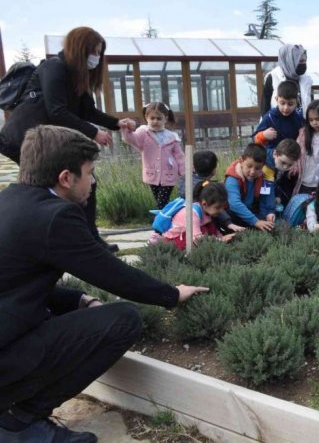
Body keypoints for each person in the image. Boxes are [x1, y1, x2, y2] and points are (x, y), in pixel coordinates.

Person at [0, 125, 207, 443]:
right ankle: (20, 421)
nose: (93, 182)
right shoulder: (55, 216)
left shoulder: (10, 201)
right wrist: (172, 294)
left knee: (67, 317)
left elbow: (16, 285)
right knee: (124, 320)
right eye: (89, 173)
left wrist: (79, 300)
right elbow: (115, 275)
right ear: (66, 178)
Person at [0, 26, 136, 252]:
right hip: (21, 141)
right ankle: (57, 240)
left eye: (99, 53)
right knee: (52, 186)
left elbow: (88, 111)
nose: (96, 57)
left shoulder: (76, 77)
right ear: (80, 48)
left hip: (43, 140)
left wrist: (116, 123)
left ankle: (87, 239)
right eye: (94, 51)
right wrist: (94, 133)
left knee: (83, 182)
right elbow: (57, 111)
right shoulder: (54, 68)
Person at [121, 102, 185, 210]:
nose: (155, 121)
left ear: (165, 118)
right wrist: (127, 129)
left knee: (161, 203)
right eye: (152, 118)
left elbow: (179, 156)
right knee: (160, 202)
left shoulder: (171, 137)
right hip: (152, 174)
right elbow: (131, 139)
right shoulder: (143, 132)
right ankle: (171, 216)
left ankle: (161, 220)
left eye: (159, 118)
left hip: (169, 174)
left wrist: (185, 172)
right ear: (147, 117)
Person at [162, 181, 235, 250]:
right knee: (204, 230)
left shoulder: (206, 210)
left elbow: (214, 231)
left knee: (210, 226)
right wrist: (220, 240)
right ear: (204, 204)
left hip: (187, 236)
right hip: (174, 241)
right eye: (218, 207)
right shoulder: (192, 214)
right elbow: (197, 239)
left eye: (223, 207)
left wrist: (222, 237)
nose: (221, 210)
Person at [224, 143, 276, 231]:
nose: (252, 172)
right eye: (249, 166)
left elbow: (267, 195)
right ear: (241, 161)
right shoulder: (232, 179)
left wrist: (270, 212)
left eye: (257, 168)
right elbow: (234, 204)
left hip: (250, 212)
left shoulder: (263, 176)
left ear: (263, 166)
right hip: (233, 216)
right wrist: (256, 221)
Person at [261, 44, 312, 117]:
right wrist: (268, 123)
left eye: (304, 60)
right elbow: (265, 106)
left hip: (301, 122)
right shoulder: (273, 77)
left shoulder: (306, 80)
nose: (303, 64)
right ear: (289, 60)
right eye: (300, 60)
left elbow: (310, 104)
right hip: (278, 122)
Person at [253, 81, 305, 152]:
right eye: (282, 103)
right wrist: (263, 135)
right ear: (276, 99)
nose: (286, 108)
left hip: (294, 156)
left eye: (290, 104)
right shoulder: (269, 117)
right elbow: (255, 139)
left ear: (297, 102)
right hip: (273, 156)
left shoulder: (299, 118)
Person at [265, 138, 302, 207]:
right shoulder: (264, 165)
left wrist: (277, 195)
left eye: (290, 165)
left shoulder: (277, 163)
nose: (285, 167)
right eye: (283, 162)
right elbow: (266, 189)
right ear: (275, 154)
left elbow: (276, 183)